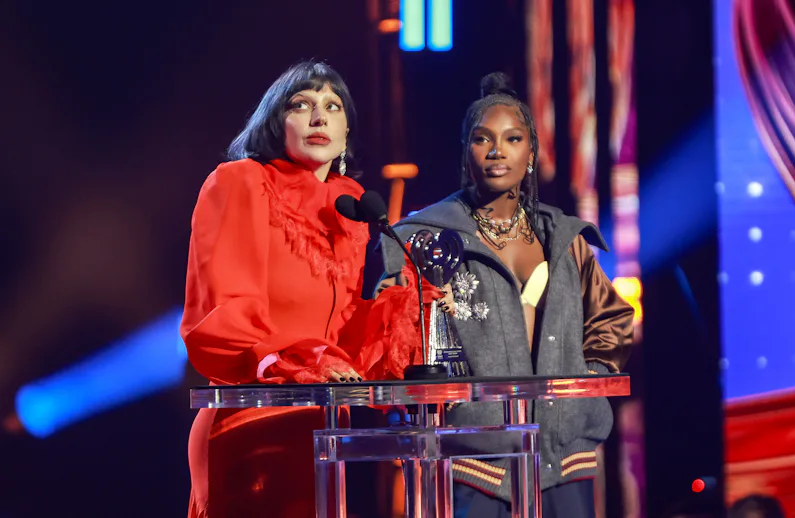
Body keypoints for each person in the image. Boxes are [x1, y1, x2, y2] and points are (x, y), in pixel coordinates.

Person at [377, 72, 635, 517]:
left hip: (563, 461)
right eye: (483, 139)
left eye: (513, 139)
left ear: (531, 152)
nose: (497, 151)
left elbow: (612, 319)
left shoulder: (563, 237)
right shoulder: (425, 236)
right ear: (466, 151)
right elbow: (390, 331)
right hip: (472, 463)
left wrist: (582, 388)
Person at [181, 60, 370, 518]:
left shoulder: (352, 208)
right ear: (275, 122)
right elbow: (226, 313)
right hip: (252, 418)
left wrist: (410, 306)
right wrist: (308, 358)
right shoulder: (242, 182)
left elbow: (345, 331)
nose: (319, 117)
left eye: (333, 106)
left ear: (346, 129)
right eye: (301, 105)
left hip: (325, 427)